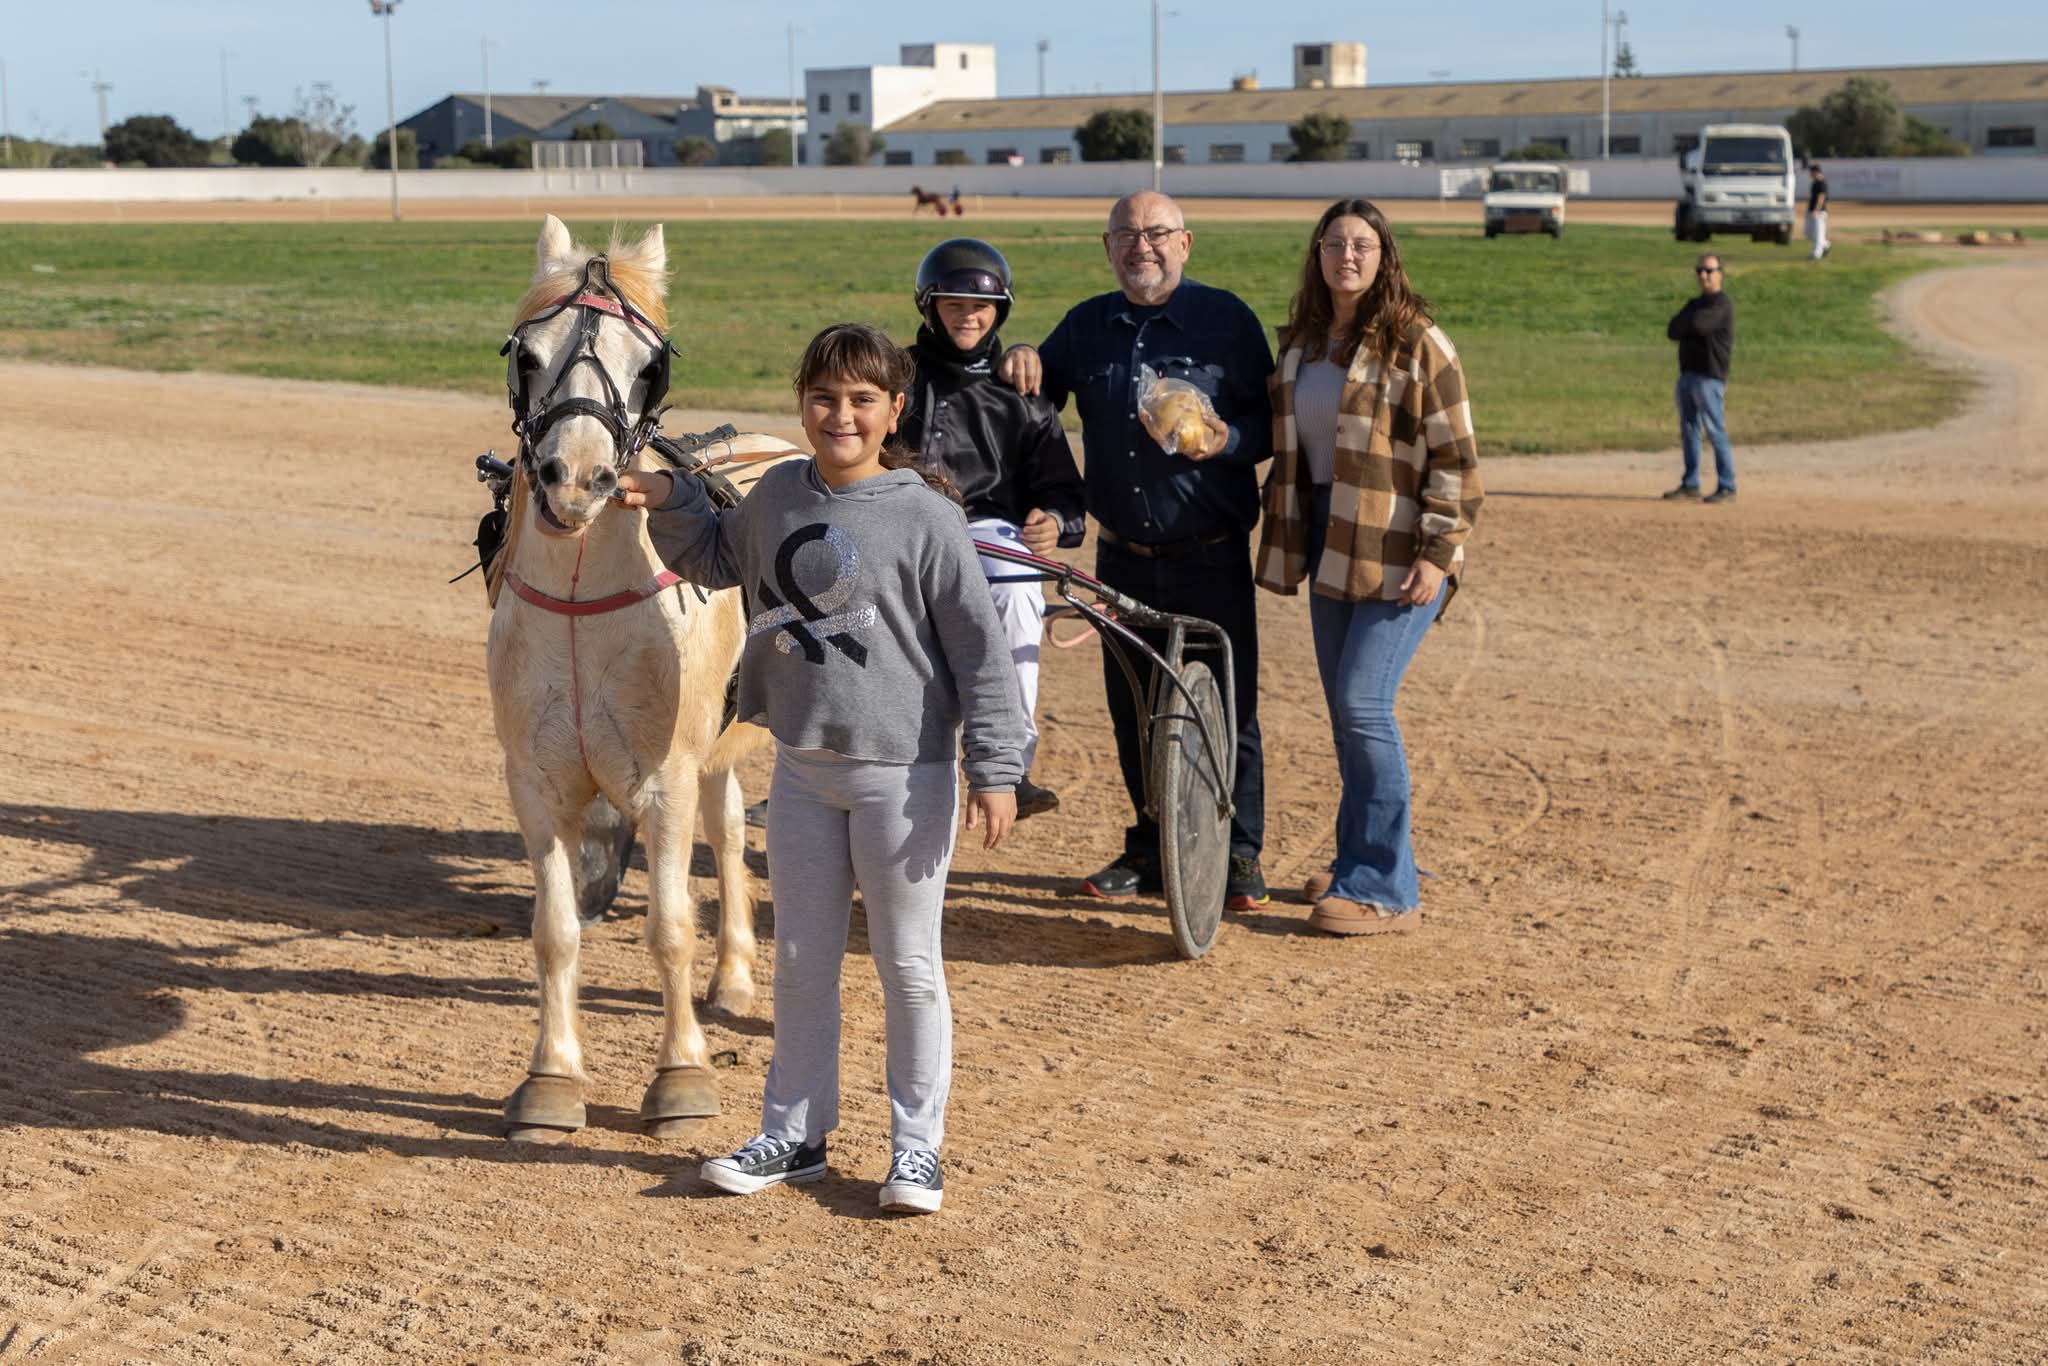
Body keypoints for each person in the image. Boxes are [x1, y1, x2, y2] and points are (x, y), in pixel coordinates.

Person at [615, 322, 1026, 1216]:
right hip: (800, 771)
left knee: (908, 966)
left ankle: (917, 1150)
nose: (840, 415)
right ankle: (794, 1135)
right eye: (824, 397)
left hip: (903, 777)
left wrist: (995, 766)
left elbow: (980, 652)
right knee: (801, 959)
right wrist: (668, 495)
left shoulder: (926, 517)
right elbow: (717, 554)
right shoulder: (776, 497)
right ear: (803, 402)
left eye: (861, 400)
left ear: (893, 412)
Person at [998, 190, 1275, 910]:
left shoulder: (1227, 322)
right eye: (1126, 235)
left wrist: (1226, 439)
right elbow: (1034, 399)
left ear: (1185, 243)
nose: (1141, 246)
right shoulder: (1088, 326)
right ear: (1107, 246)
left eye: (1156, 234)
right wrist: (1024, 355)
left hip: (1210, 552)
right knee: (1136, 706)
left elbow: (1271, 425)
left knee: (1226, 703)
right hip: (1123, 558)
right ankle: (1152, 846)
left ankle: (1240, 852)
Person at [1254, 199, 1482, 937]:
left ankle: (1386, 889)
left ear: (1384, 257)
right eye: (1333, 244)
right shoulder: (1303, 345)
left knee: (1363, 706)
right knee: (1347, 719)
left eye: (1362, 245)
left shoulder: (1419, 343)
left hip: (1399, 544)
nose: (1346, 257)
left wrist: (1438, 554)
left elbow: (1456, 459)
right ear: (1316, 255)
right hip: (1328, 538)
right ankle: (1359, 860)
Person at [903, 237, 1086, 819]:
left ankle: (1011, 763)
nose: (969, 316)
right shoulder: (894, 377)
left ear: (999, 312)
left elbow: (1063, 492)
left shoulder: (1024, 398)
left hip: (987, 532)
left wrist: (1054, 520)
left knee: (1014, 582)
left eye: (981, 307)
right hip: (903, 521)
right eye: (954, 304)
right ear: (929, 306)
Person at [1663, 253, 1737, 505]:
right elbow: (1672, 329)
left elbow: (1700, 326)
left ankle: (1727, 486)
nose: (1704, 276)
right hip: (1687, 376)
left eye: (1709, 271)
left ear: (1720, 274)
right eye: (1700, 271)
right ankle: (1691, 483)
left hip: (1710, 377)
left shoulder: (1721, 304)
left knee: (1716, 431)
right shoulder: (1695, 303)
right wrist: (1689, 323)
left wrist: (1689, 323)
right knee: (1689, 431)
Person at [1805, 163, 1830, 261]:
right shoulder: (1815, 182)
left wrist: (1817, 209)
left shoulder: (1821, 182)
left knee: (1819, 233)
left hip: (1819, 212)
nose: (1809, 174)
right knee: (1809, 232)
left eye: (1810, 172)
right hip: (1813, 211)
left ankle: (1817, 254)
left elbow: (1821, 197)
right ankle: (1825, 245)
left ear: (1815, 171)